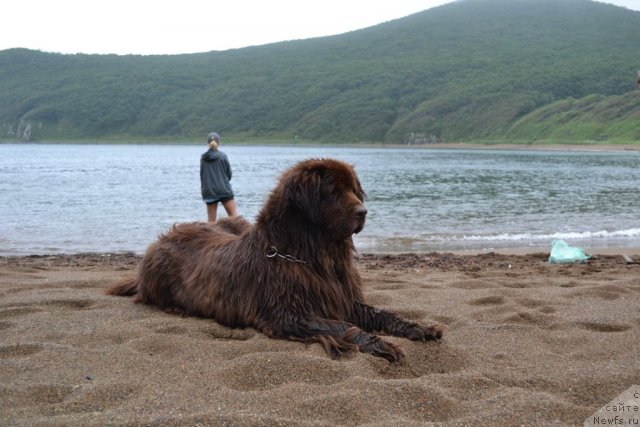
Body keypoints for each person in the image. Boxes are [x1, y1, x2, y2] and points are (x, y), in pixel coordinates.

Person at [200, 132, 237, 222]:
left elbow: (202, 175)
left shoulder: (203, 158)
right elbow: (229, 174)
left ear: (207, 143)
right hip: (223, 189)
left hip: (209, 191)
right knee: (235, 219)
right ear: (219, 142)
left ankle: (212, 236)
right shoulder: (222, 156)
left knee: (211, 222)